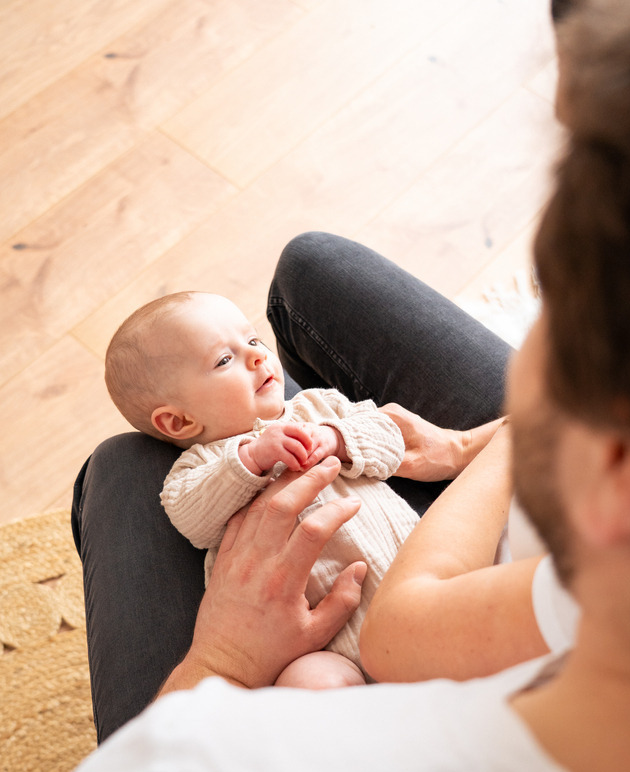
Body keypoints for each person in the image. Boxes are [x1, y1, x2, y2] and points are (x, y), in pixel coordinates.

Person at [3, 0, 630, 772]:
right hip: (448, 547)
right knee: (312, 267)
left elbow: (392, 626)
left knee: (120, 476)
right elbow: (374, 444)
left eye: (554, 311)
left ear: (615, 468)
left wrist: (225, 662)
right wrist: (450, 447)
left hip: (357, 629)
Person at [105, 290, 498, 688]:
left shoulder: (317, 407)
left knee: (489, 555)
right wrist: (250, 459)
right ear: (178, 422)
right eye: (224, 360)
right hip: (336, 643)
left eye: (254, 340)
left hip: (428, 576)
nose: (257, 356)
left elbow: (392, 441)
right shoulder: (198, 466)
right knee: (307, 679)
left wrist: (337, 437)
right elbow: (192, 517)